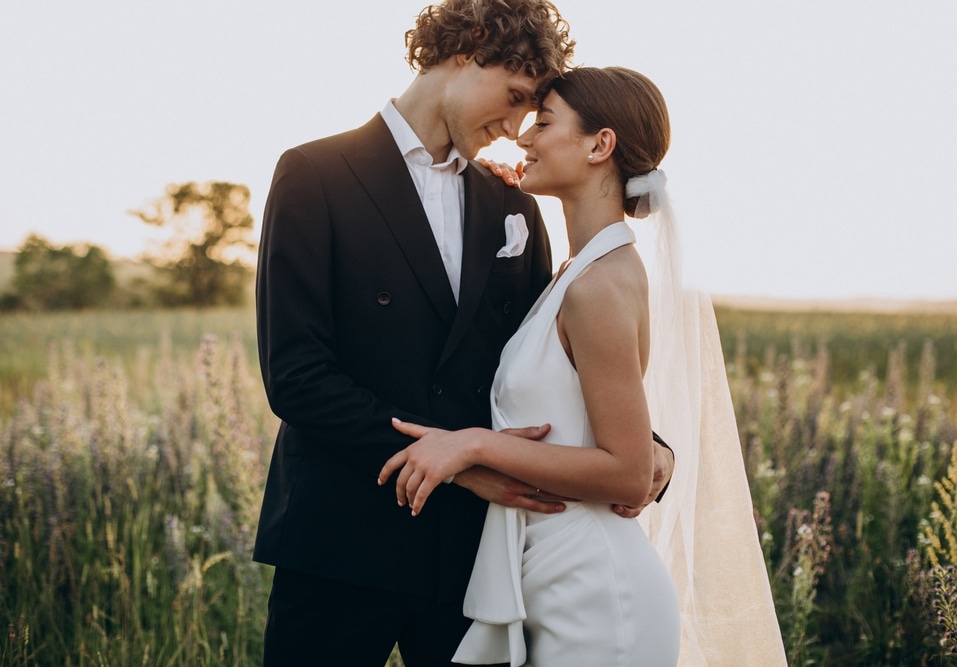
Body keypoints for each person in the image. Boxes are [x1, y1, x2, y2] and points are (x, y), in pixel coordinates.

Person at [253, 2, 670, 665]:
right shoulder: (314, 175)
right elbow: (296, 375)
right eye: (512, 98)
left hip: (475, 568)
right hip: (338, 543)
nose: (514, 129)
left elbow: (554, 363)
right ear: (470, 46)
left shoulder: (512, 207)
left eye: (533, 112)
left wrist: (647, 448)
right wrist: (456, 467)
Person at [381, 66, 786, 666]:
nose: (523, 137)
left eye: (543, 123)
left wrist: (473, 446)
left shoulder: (599, 284)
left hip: (597, 594)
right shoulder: (574, 273)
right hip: (553, 578)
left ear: (600, 146)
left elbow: (626, 474)